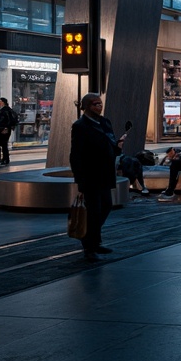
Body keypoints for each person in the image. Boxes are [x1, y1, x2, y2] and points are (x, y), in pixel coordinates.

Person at [69, 93, 125, 261]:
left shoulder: (105, 122)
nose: (99, 107)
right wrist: (79, 179)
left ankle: (93, 239)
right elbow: (76, 154)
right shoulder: (80, 126)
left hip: (105, 174)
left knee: (106, 206)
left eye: (100, 104)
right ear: (86, 106)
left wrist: (118, 147)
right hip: (90, 174)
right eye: (95, 104)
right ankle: (89, 246)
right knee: (93, 211)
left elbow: (111, 145)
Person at [0, 97, 18, 167]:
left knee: (2, 145)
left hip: (3, 130)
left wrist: (6, 128)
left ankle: (2, 159)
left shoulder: (6, 110)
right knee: (0, 145)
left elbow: (9, 120)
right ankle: (2, 159)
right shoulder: (1, 110)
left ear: (2, 102)